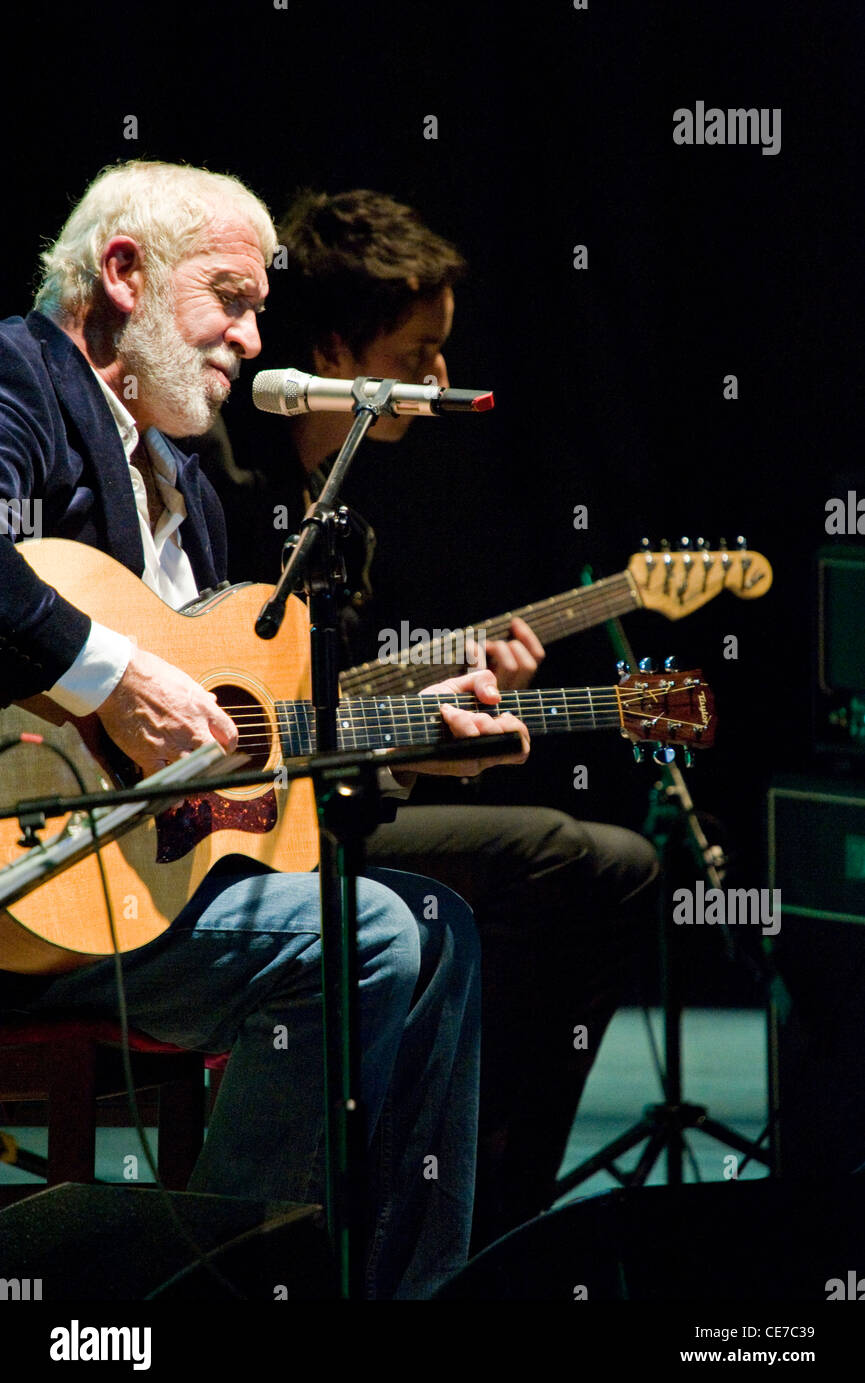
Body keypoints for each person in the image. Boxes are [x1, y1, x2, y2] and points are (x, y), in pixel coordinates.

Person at [0, 161, 530, 1299]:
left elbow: (230, 732)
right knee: (372, 936)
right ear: (126, 273)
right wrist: (113, 679)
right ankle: (216, 1287)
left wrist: (397, 738)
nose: (250, 337)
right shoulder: (20, 379)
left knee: (441, 926)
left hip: (143, 885)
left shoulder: (183, 474)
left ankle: (398, 1292)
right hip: (31, 876)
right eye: (230, 298)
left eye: (258, 311)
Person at [196, 188, 660, 1248]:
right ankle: (463, 1203)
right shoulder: (222, 485)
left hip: (318, 801)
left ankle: (469, 1191)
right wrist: (407, 743)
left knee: (603, 860)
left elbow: (331, 707)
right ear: (335, 351)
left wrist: (432, 712)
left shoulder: (336, 509)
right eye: (419, 350)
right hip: (236, 828)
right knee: (565, 858)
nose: (442, 379)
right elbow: (258, 721)